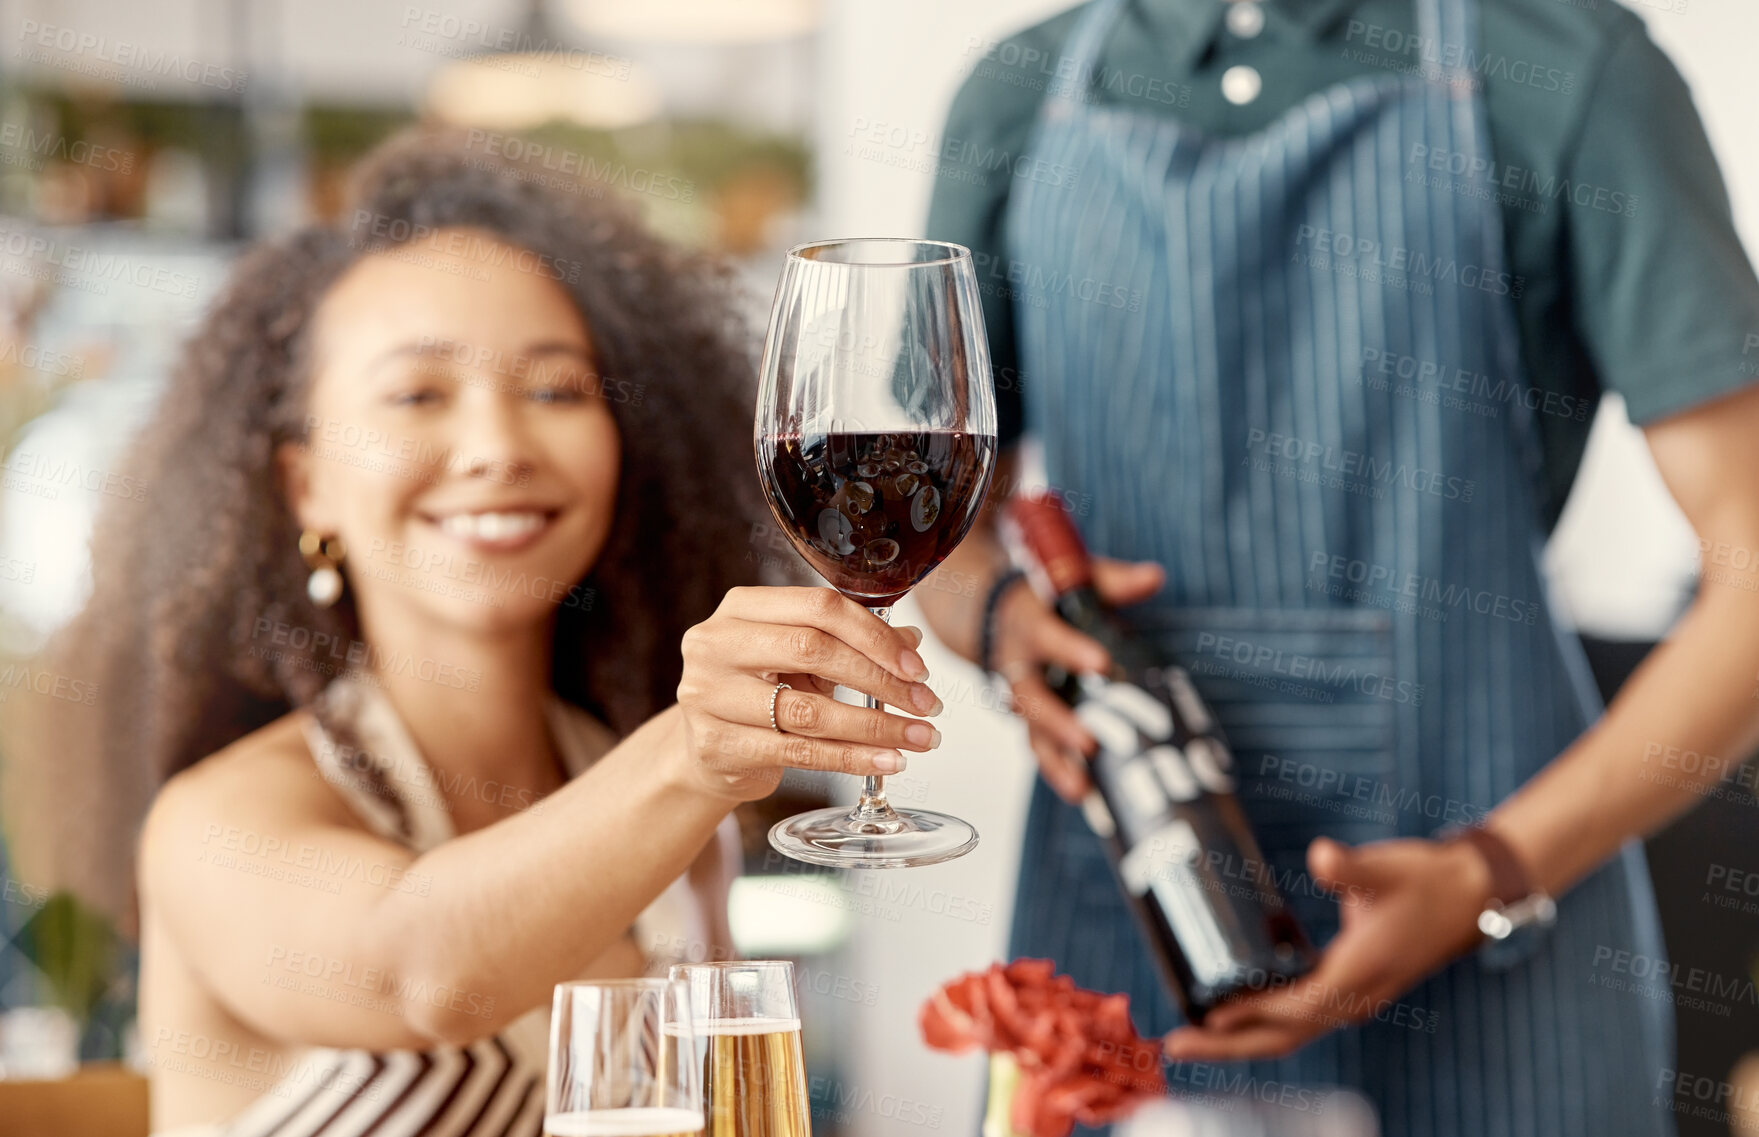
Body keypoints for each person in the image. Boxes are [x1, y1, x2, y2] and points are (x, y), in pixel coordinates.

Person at [916, 0, 1759, 1134]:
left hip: (1504, 907)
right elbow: (933, 531)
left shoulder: (1571, 67)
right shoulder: (1019, 94)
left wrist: (1487, 875)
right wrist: (999, 617)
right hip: (1130, 901)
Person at [11, 130, 948, 1136]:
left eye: (554, 390)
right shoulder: (217, 825)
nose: (498, 448)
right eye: (418, 394)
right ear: (305, 481)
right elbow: (422, 974)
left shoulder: (681, 845)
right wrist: (690, 753)